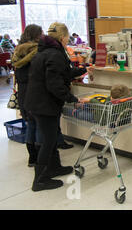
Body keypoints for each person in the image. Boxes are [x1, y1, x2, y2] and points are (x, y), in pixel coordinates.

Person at [25, 22, 93, 191]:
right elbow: (54, 84)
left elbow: (64, 72)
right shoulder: (55, 54)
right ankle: (39, 180)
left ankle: (55, 168)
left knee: (52, 136)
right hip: (44, 104)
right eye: (67, 38)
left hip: (40, 102)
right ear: (63, 38)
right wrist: (73, 99)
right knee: (48, 141)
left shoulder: (46, 52)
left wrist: (83, 69)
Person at [11, 24, 44, 167]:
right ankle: (40, 157)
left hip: (23, 92)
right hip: (36, 92)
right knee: (39, 125)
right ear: (37, 35)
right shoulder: (37, 52)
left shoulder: (17, 52)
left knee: (30, 124)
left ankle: (32, 157)